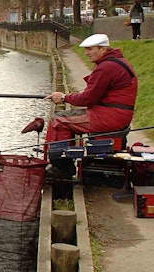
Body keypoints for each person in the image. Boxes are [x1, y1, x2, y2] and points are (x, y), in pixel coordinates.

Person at [43, 33, 138, 179]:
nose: (86, 53)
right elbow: (96, 93)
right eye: (86, 49)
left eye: (90, 49)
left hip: (110, 116)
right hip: (118, 114)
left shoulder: (106, 67)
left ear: (103, 49)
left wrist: (63, 97)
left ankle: (61, 168)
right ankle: (66, 162)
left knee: (58, 121)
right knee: (65, 118)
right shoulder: (118, 62)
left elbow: (88, 98)